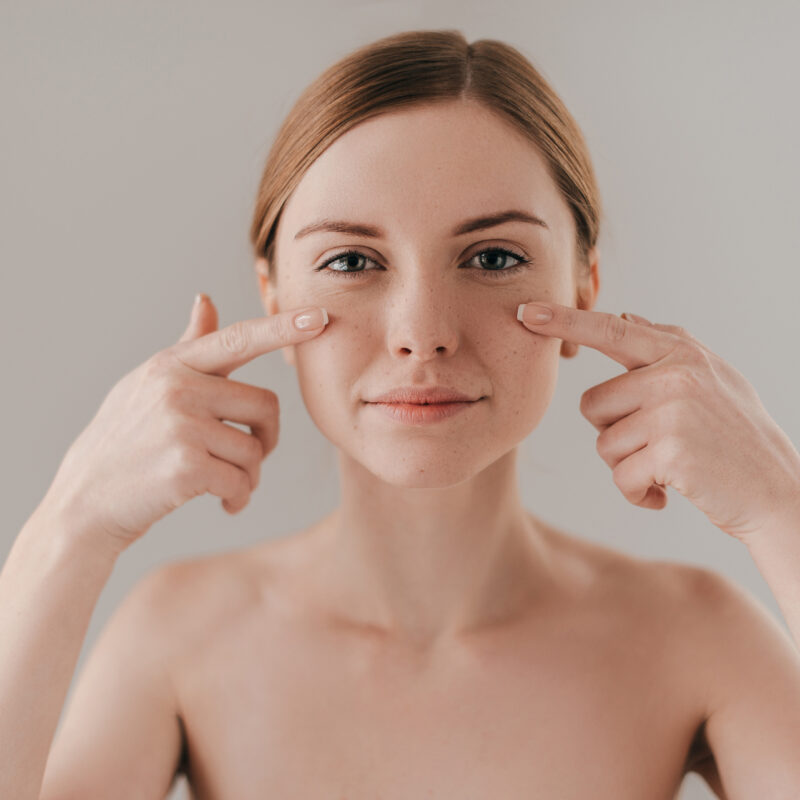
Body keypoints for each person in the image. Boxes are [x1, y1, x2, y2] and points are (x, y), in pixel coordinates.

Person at [3, 29, 800, 800]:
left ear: (584, 287)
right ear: (273, 295)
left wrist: (780, 505)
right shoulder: (177, 639)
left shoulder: (698, 641)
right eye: (350, 262)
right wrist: (72, 525)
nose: (423, 335)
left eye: (494, 259)